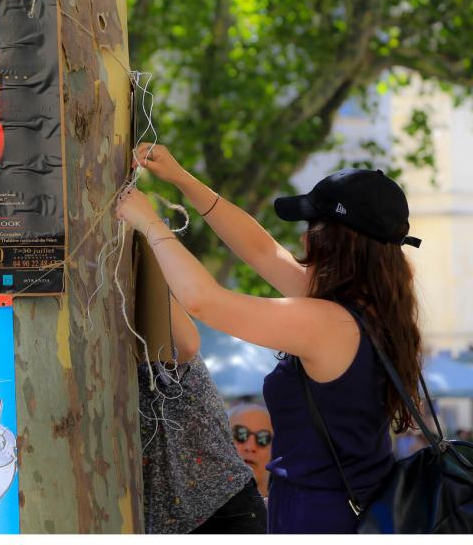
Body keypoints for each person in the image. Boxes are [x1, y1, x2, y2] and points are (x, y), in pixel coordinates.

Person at [118, 143, 424, 534]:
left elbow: (205, 302)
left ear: (335, 241)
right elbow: (262, 251)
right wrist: (181, 179)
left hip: (321, 518)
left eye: (312, 228)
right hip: (347, 510)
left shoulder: (329, 322)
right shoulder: (370, 310)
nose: (303, 240)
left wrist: (150, 224)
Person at [139, 294, 266, 534]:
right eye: (242, 434)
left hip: (222, 509)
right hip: (163, 521)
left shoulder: (158, 334)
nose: (250, 445)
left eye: (262, 439)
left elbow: (187, 344)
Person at [228, 403, 273, 498]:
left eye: (263, 439)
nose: (250, 447)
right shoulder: (200, 508)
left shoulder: (287, 511)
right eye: (240, 434)